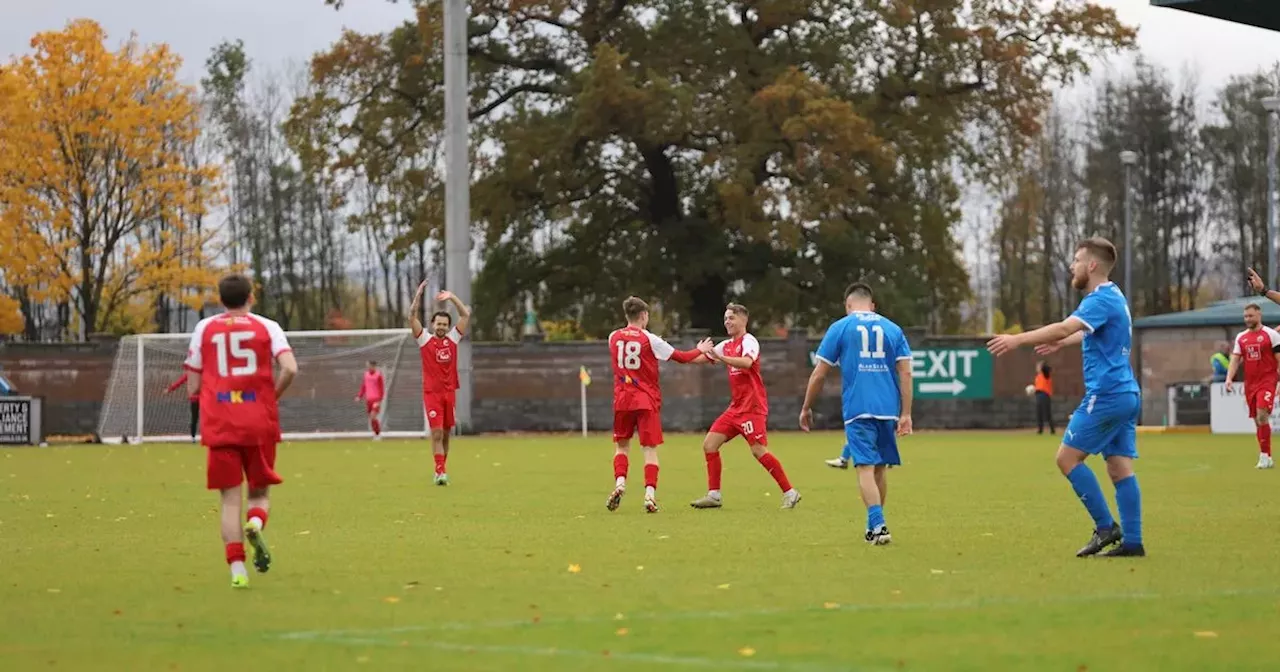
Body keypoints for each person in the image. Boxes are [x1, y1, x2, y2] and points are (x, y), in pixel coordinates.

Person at [987, 237, 1144, 558]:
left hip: (1108, 393)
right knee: (1118, 467)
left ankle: (1105, 527)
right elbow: (1089, 332)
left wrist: (1017, 340)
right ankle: (1133, 541)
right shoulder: (1115, 296)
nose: (1071, 267)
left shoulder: (1099, 299)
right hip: (1126, 392)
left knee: (1066, 458)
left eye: (1075, 260)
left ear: (1092, 265)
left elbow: (1062, 327)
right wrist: (1065, 343)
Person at [183, 273, 298, 588]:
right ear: (251, 297)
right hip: (258, 421)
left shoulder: (204, 328)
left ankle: (237, 571)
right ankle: (256, 523)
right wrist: (269, 397)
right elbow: (290, 368)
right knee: (259, 493)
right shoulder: (268, 327)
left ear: (220, 300)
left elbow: (193, 385)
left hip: (220, 422)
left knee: (229, 500)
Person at [799, 283, 911, 545]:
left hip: (858, 407)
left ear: (848, 305)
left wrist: (806, 407)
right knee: (880, 468)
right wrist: (906, 413)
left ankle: (879, 525)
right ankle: (873, 527)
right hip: (888, 409)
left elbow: (819, 373)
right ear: (872, 305)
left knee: (864, 468)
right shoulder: (893, 329)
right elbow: (905, 373)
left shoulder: (840, 327)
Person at [689, 303, 801, 511]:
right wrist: (674, 354)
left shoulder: (749, 341)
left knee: (758, 451)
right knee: (709, 445)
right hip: (735, 408)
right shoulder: (726, 345)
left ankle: (790, 492)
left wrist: (721, 357)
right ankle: (714, 495)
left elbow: (747, 363)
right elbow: (701, 358)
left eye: (731, 318)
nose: (727, 322)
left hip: (752, 407)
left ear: (743, 319)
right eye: (725, 318)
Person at [606, 296, 706, 513]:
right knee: (649, 449)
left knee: (622, 446)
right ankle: (649, 496)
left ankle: (620, 484)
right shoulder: (649, 339)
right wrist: (701, 349)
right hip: (645, 400)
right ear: (643, 316)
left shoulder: (613, 337)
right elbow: (681, 356)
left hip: (622, 399)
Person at [409, 282, 471, 485]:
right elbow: (411, 317)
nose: (442, 327)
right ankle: (440, 471)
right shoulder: (424, 340)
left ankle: (441, 469)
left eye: (445, 324)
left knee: (445, 435)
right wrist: (418, 295)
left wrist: (452, 297)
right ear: (433, 324)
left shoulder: (453, 339)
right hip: (432, 393)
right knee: (435, 433)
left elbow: (465, 316)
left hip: (449, 392)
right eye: (439, 324)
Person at [1225, 300, 1280, 469]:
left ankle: (1263, 456)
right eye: (1245, 316)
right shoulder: (1241, 337)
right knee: (1257, 420)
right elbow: (1235, 359)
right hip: (1251, 383)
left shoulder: (1271, 335)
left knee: (1262, 414)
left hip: (1268, 380)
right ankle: (1267, 456)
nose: (1247, 319)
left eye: (1250, 315)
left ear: (1259, 314)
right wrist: (1229, 378)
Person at [165, 372, 200, 442]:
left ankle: (198, 436)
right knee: (195, 418)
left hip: (203, 399)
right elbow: (180, 381)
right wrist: (170, 389)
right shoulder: (191, 373)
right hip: (196, 399)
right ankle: (193, 436)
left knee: (200, 418)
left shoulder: (202, 373)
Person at [355, 360, 386, 440]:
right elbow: (364, 386)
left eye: (368, 365)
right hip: (368, 400)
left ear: (373, 366)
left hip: (376, 400)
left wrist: (379, 401)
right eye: (367, 366)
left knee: (373, 416)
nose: (367, 367)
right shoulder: (366, 375)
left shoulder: (379, 375)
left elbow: (381, 389)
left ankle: (378, 434)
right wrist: (359, 396)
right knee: (371, 418)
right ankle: (375, 434)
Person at [1034, 361, 1055, 435]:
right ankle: (1040, 429)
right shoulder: (1038, 376)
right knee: (1039, 412)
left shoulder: (1045, 374)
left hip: (1045, 395)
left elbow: (1047, 369)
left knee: (1047, 413)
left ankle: (1052, 429)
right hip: (1038, 394)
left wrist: (1043, 365)